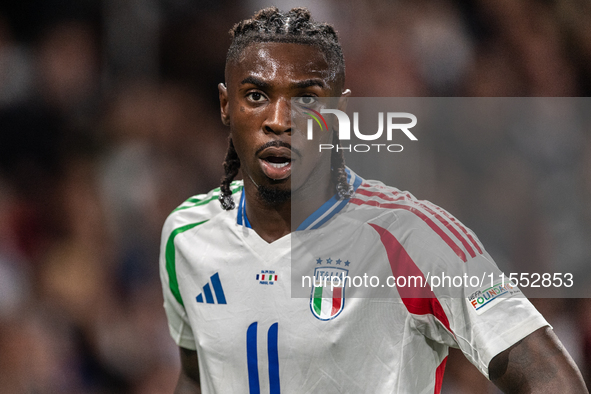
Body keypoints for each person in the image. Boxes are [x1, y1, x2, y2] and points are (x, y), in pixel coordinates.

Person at [159, 7, 588, 393]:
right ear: (224, 104)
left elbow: (552, 381)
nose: (279, 121)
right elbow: (198, 376)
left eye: (306, 98)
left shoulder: (411, 237)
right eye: (256, 96)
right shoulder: (187, 236)